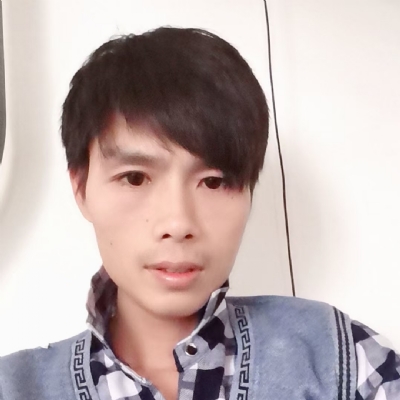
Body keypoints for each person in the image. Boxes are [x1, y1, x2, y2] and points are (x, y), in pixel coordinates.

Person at [0, 27, 399, 400]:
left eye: (213, 182)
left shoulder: (339, 360)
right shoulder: (15, 387)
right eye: (135, 178)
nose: (178, 224)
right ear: (81, 188)